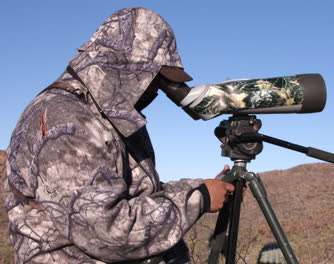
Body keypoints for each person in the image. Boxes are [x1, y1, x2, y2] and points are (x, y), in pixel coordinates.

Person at [4, 7, 235, 264]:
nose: (157, 90)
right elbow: (105, 231)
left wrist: (202, 188)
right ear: (127, 66)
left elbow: (137, 194)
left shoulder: (107, 114)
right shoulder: (65, 118)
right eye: (155, 77)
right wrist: (199, 200)